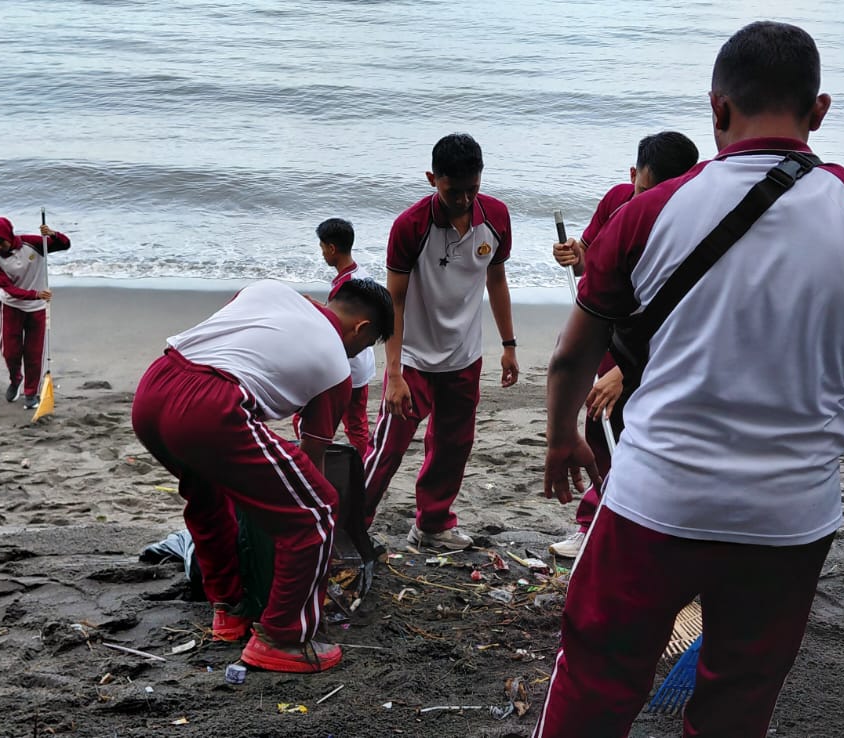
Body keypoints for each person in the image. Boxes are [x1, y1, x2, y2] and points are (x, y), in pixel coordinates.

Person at [537, 22, 844, 736]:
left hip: (655, 499)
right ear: (819, 110)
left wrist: (561, 439)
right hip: (789, 515)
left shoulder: (645, 213)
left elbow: (570, 355)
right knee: (738, 699)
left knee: (596, 675)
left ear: (716, 109)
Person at [129, 278, 393, 673]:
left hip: (154, 389)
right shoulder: (338, 364)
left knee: (208, 497)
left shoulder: (270, 290)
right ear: (363, 329)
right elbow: (312, 454)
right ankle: (283, 638)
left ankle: (229, 612)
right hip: (211, 404)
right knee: (316, 510)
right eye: (366, 346)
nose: (359, 354)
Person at [547, 130, 700, 558]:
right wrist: (574, 254)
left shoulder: (697, 223)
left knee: (648, 436)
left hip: (662, 345)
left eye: (663, 194)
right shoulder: (618, 201)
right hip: (612, 333)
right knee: (600, 425)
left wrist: (626, 371)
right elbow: (589, 263)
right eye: (644, 190)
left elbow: (690, 314)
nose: (650, 202)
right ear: (633, 175)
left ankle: (636, 528)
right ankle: (592, 524)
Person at [361, 133, 518, 551]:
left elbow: (496, 279)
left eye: (473, 188)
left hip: (464, 356)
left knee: (453, 446)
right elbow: (393, 300)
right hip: (413, 357)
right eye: (454, 190)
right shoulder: (410, 226)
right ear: (433, 179)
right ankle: (350, 525)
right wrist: (393, 372)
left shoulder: (497, 217)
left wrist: (509, 343)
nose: (465, 199)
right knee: (388, 448)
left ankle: (432, 524)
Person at [292, 218, 376, 454]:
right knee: (356, 424)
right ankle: (361, 467)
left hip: (346, 364)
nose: (322, 255)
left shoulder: (345, 286)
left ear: (331, 248)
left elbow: (339, 325)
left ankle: (312, 461)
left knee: (304, 421)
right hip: (362, 364)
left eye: (322, 248)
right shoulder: (362, 275)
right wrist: (319, 306)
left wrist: (313, 310)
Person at [0, 216, 69, 410]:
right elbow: (8, 288)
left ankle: (31, 392)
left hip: (37, 309)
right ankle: (16, 379)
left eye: (0, 242)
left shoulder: (33, 244)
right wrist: (36, 294)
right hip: (11, 306)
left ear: (8, 235)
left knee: (34, 353)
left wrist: (53, 234)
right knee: (10, 352)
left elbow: (64, 245)